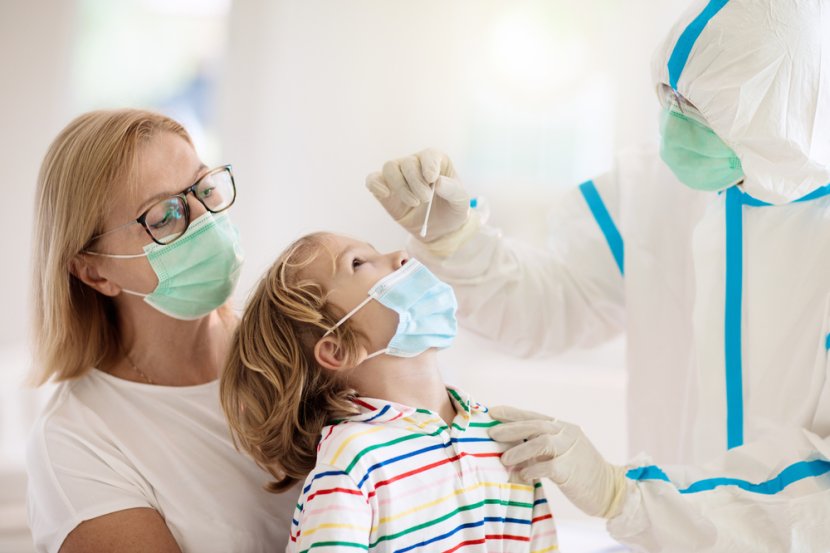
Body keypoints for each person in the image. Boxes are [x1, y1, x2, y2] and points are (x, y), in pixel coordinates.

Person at [365, 0, 830, 551]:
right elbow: (554, 306)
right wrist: (458, 242)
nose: (675, 122)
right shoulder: (655, 186)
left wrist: (623, 495)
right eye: (671, 96)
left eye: (704, 109)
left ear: (787, 113)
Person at [26, 109, 296, 553]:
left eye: (204, 187)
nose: (206, 218)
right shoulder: (76, 442)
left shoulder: (291, 349)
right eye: (164, 215)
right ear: (94, 272)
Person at [219, 232, 559, 552]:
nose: (400, 256)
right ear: (338, 350)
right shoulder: (353, 462)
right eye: (357, 263)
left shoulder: (500, 438)